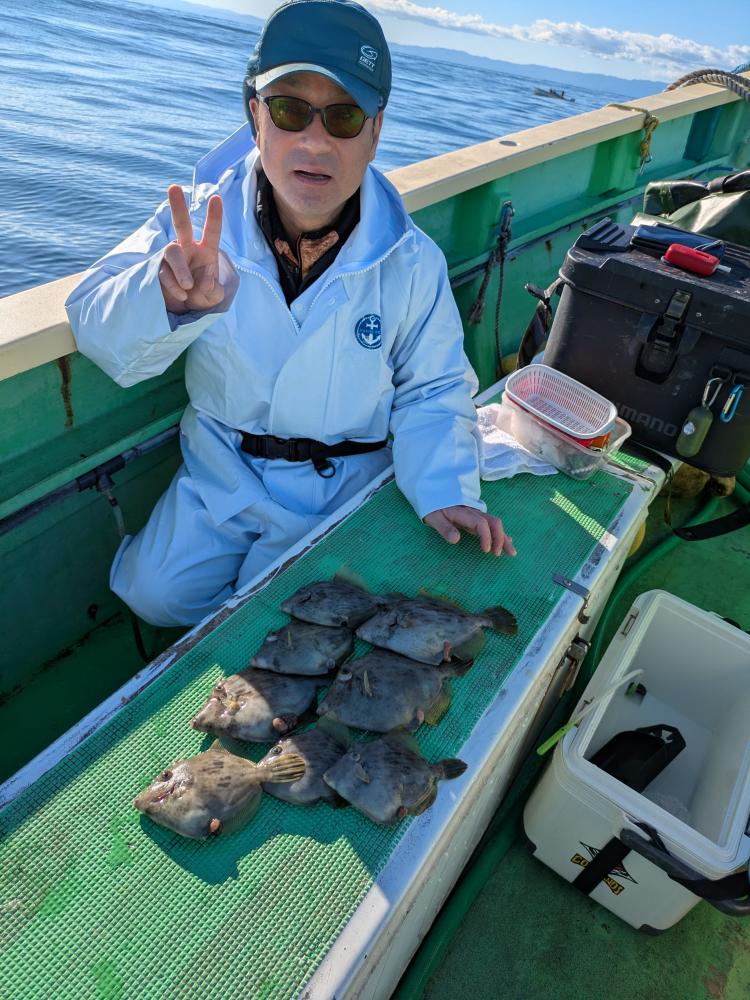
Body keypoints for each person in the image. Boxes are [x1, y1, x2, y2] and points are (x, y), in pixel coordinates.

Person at [65, 0, 516, 629]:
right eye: (289, 110)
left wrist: (445, 489)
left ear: (375, 132)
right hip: (222, 467)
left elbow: (434, 388)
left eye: (343, 116)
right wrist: (163, 297)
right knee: (152, 594)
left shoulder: (413, 262)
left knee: (279, 621)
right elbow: (89, 313)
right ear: (255, 116)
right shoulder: (199, 222)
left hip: (343, 481)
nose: (314, 140)